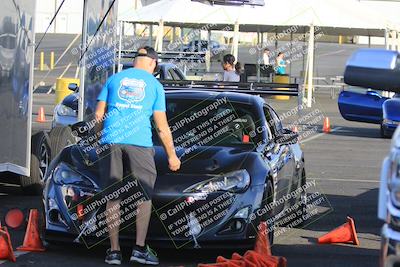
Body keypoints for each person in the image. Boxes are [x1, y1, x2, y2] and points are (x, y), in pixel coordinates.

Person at [95, 46, 181, 265]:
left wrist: (99, 139)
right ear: (153, 64)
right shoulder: (155, 85)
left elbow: (98, 115)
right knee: (143, 196)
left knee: (113, 196)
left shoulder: (114, 79)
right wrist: (172, 156)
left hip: (111, 140)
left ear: (135, 61)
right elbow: (161, 126)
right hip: (139, 143)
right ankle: (139, 249)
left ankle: (114, 252)